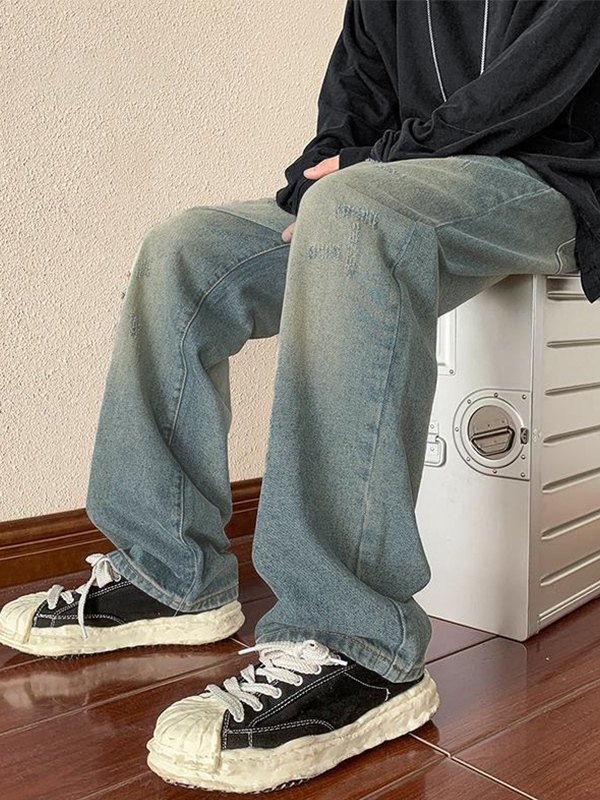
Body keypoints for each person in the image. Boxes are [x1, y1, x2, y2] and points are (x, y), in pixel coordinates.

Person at [1, 0, 599, 792]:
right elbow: (351, 101)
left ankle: (358, 645)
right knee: (185, 248)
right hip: (399, 175)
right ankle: (168, 573)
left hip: (546, 178)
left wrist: (370, 170)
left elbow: (526, 92)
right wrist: (320, 173)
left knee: (357, 209)